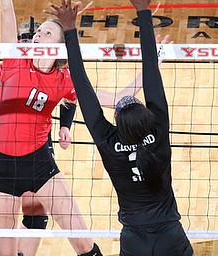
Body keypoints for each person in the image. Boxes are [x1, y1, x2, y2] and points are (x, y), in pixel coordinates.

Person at [45, 0, 195, 255]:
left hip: (134, 240)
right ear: (146, 116)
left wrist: (70, 30)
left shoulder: (109, 142)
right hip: (171, 235)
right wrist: (143, 11)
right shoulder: (157, 132)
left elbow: (81, 87)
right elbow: (151, 72)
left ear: (116, 121)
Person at [0, 0, 103, 255]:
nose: (37, 35)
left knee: (83, 242)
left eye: (46, 33)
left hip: (39, 162)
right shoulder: (13, 62)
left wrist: (148, 71)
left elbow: (105, 97)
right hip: (3, 164)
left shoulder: (63, 80)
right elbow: (6, 12)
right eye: (38, 31)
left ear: (59, 49)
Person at [0, 18, 77, 256]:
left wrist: (65, 126)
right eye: (28, 39)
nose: (32, 42)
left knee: (37, 211)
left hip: (37, 141)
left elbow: (70, 96)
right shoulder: (8, 68)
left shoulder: (57, 74)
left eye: (43, 35)